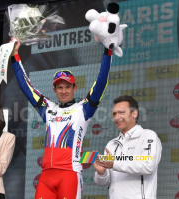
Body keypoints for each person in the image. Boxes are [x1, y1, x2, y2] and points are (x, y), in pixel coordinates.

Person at [10, 37, 112, 199]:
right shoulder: (48, 109)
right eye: (60, 87)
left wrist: (108, 50)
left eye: (67, 87)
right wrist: (15, 56)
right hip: (46, 177)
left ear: (74, 88)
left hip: (69, 174)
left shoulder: (83, 109)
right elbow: (25, 86)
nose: (64, 91)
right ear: (55, 90)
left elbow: (101, 82)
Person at [93, 95, 162, 199]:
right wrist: (101, 172)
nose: (117, 117)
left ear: (134, 113)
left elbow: (149, 165)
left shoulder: (148, 136)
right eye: (114, 114)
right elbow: (103, 182)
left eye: (121, 112)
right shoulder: (111, 144)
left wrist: (114, 163)